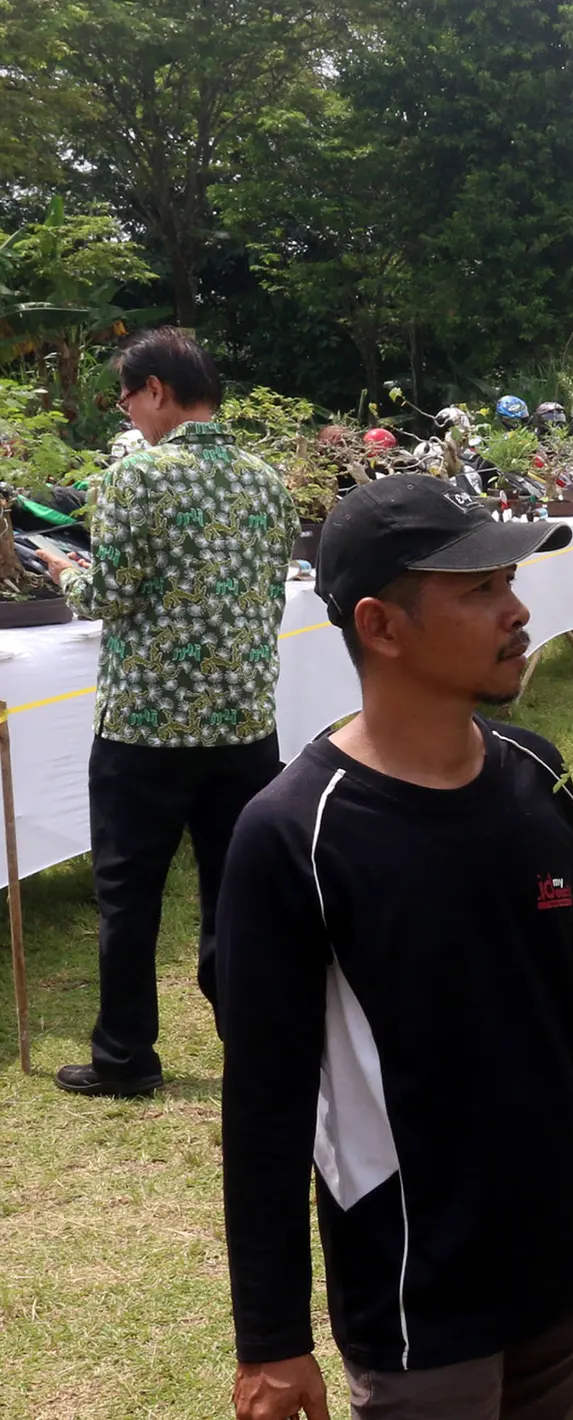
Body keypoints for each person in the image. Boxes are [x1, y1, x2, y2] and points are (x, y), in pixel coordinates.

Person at [217, 475, 573, 1419]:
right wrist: (270, 1339)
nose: (517, 611)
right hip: (424, 1291)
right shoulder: (294, 835)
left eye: (510, 581)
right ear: (381, 626)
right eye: (478, 590)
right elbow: (267, 1103)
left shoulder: (535, 776)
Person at [38, 329, 294, 1099]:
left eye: (125, 393)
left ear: (156, 390)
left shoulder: (136, 477)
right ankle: (252, 1041)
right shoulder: (265, 478)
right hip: (245, 722)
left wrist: (63, 567)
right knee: (238, 893)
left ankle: (125, 1057)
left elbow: (109, 596)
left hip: (146, 727)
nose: (124, 409)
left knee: (130, 894)